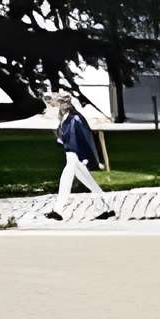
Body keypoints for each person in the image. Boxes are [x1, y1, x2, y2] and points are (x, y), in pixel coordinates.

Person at [46, 90, 116, 222]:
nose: (57, 105)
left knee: (65, 179)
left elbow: (83, 139)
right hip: (72, 155)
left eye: (59, 102)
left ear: (64, 103)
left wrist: (85, 157)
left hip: (75, 155)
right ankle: (106, 207)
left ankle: (57, 210)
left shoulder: (74, 119)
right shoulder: (66, 118)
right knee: (90, 183)